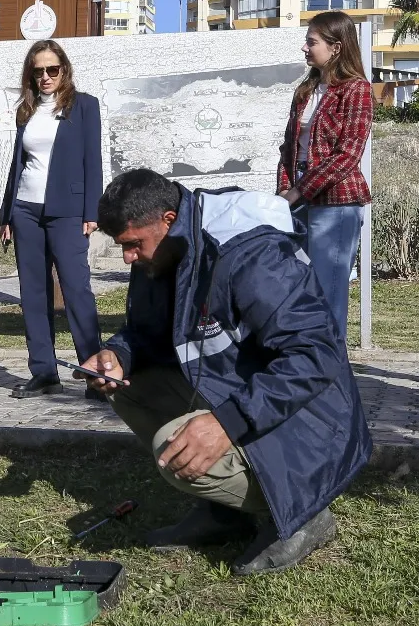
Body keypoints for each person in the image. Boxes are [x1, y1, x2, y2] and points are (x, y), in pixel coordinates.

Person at [82, 169, 371, 576]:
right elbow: (150, 332)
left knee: (172, 442)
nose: (128, 257)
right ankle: (223, 513)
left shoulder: (250, 252)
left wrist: (225, 423)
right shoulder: (165, 248)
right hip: (246, 392)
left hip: (315, 422)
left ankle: (303, 513)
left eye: (133, 245)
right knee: (128, 387)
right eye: (122, 247)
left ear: (167, 219)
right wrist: (118, 355)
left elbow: (316, 354)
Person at [0, 40, 104, 399]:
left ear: (64, 70)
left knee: (77, 290)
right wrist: (6, 213)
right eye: (38, 71)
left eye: (51, 69)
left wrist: (92, 212)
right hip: (25, 210)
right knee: (33, 293)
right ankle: (43, 372)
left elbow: (93, 161)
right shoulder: (25, 111)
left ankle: (94, 373)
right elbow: (18, 166)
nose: (45, 77)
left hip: (68, 211)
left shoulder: (84, 106)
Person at [276, 10, 374, 341]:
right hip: (298, 201)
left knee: (328, 295)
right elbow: (288, 148)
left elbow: (347, 155)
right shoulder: (306, 90)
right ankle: (306, 366)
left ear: (335, 46)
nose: (305, 48)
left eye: (311, 41)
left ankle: (330, 375)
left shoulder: (356, 89)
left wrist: (299, 191)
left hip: (336, 204)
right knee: (298, 290)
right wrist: (284, 192)